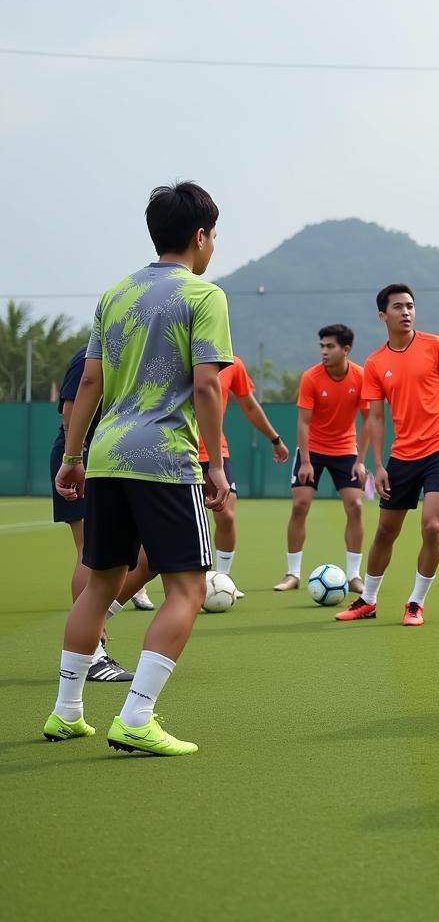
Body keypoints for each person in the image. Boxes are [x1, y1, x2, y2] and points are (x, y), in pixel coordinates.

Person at [45, 180, 233, 756]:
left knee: (100, 584)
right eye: (214, 236)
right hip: (164, 459)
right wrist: (216, 462)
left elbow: (91, 383)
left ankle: (66, 711)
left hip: (105, 452)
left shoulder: (115, 294)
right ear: (201, 237)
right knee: (188, 588)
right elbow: (206, 383)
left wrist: (74, 457)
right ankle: (136, 716)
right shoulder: (204, 296)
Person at [336, 284, 439, 626]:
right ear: (383, 315)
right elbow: (376, 418)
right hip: (402, 458)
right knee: (385, 531)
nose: (406, 312)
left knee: (432, 525)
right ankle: (367, 600)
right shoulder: (376, 363)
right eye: (398, 307)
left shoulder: (434, 345)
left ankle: (416, 602)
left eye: (410, 306)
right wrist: (379, 465)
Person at [50, 346, 134, 682]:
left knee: (136, 555)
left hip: (113, 457)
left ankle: (91, 629)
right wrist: (75, 459)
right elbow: (71, 412)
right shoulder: (91, 353)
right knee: (90, 553)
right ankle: (91, 657)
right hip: (82, 458)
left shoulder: (135, 350)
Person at [274, 325, 369, 594]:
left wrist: (360, 460)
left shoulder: (361, 376)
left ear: (346, 350)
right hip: (312, 450)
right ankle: (292, 574)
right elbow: (303, 423)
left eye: (330, 347)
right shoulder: (311, 377)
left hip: (345, 450)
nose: (324, 351)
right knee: (300, 505)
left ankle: (353, 576)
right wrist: (305, 461)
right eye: (322, 346)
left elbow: (369, 420)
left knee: (356, 506)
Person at [198, 354, 290, 595]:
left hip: (216, 452)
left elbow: (249, 404)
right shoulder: (176, 355)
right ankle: (144, 583)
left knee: (226, 516)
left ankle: (222, 579)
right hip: (176, 451)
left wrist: (275, 439)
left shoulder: (232, 363)